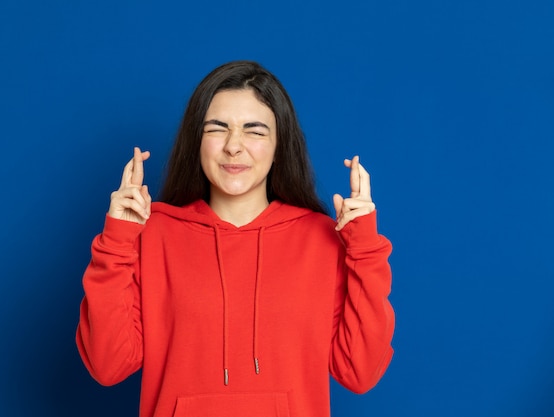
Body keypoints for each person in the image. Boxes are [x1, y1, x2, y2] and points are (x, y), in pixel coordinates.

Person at [76, 60, 394, 417]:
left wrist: (365, 248)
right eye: (217, 128)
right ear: (197, 140)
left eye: (255, 131)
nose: (233, 146)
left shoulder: (320, 239)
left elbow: (360, 373)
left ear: (279, 145)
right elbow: (108, 366)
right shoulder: (153, 235)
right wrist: (117, 242)